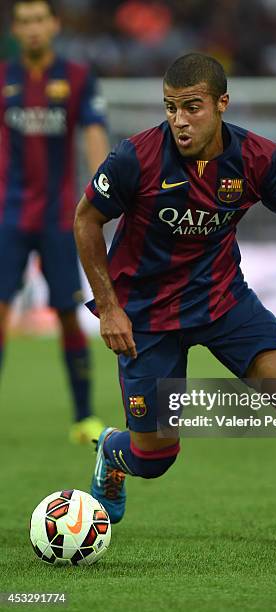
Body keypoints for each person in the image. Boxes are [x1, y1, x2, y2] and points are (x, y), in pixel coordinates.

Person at [74, 53, 276, 550]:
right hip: (147, 315)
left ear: (222, 104)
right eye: (170, 108)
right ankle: (114, 452)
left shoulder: (259, 158)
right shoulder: (135, 158)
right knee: (155, 459)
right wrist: (110, 307)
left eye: (192, 107)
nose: (179, 120)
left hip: (223, 300)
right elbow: (85, 219)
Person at [0, 0, 109, 443]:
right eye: (24, 21)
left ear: (54, 25)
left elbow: (94, 132)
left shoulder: (78, 78)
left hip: (60, 217)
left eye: (39, 20)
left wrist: (105, 193)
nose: (32, 29)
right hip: (7, 215)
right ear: (15, 27)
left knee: (68, 314)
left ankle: (83, 417)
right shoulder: (3, 78)